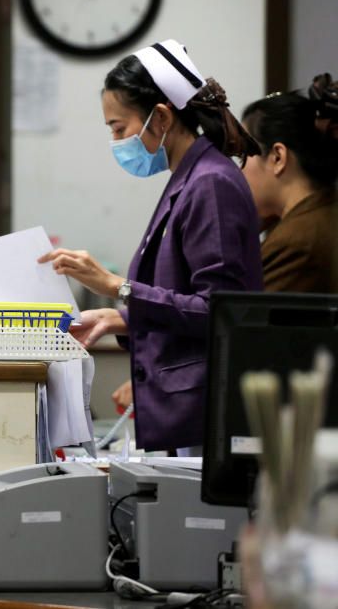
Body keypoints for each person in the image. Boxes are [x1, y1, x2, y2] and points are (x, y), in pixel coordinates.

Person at [39, 40, 263, 453]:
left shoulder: (209, 184)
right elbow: (185, 299)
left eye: (119, 128)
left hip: (206, 416)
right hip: (192, 414)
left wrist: (116, 287)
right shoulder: (188, 179)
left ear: (160, 116)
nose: (117, 142)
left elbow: (221, 309)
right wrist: (120, 318)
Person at [240, 77, 338, 293]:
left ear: (277, 158)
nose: (239, 172)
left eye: (244, 157)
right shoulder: (320, 214)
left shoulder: (296, 242)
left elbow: (238, 322)